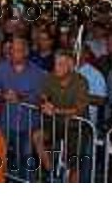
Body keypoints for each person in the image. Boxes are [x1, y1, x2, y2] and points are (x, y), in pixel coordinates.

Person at [0, 37, 46, 179]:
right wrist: (3, 95)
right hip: (6, 122)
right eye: (12, 50)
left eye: (18, 50)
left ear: (26, 52)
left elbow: (41, 97)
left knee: (26, 162)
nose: (14, 53)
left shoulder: (37, 72)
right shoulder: (2, 68)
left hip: (28, 125)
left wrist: (20, 97)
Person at [33, 50, 89, 182]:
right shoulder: (50, 78)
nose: (56, 67)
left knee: (74, 162)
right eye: (55, 64)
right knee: (37, 136)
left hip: (76, 126)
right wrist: (43, 104)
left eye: (60, 64)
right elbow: (42, 96)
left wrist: (55, 110)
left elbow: (79, 110)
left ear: (70, 66)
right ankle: (51, 172)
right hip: (55, 123)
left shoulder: (81, 82)